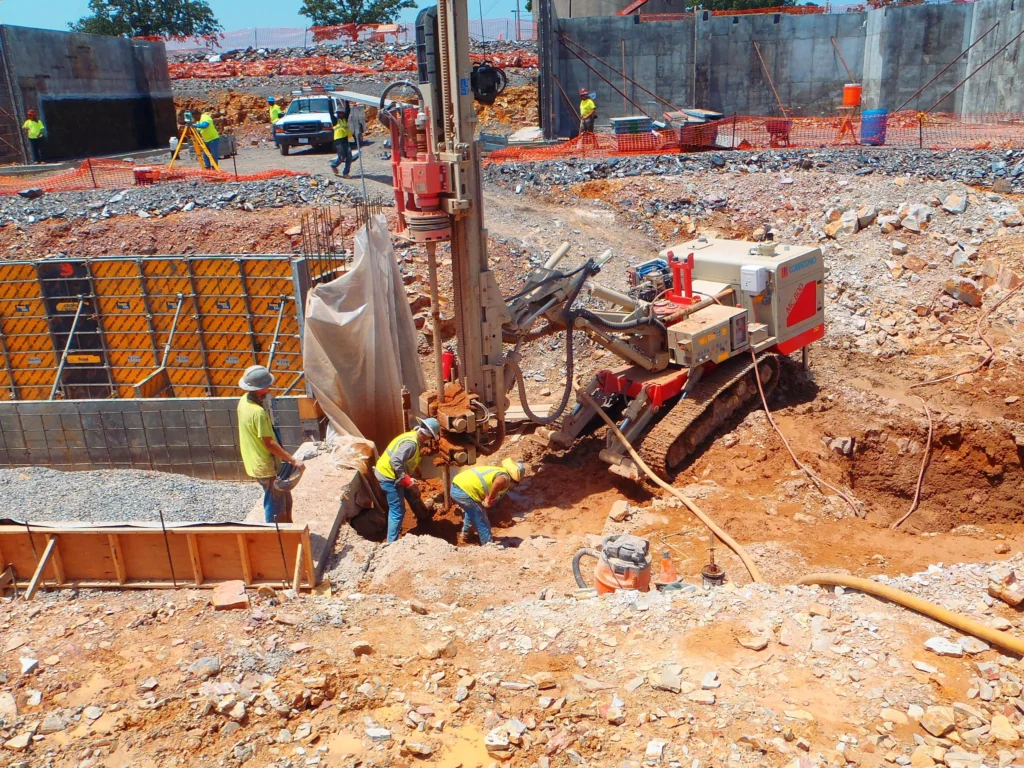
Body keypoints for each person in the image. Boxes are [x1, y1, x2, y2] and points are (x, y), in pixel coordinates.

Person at [237, 365, 304, 524]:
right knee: (274, 503)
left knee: (284, 498)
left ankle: (288, 530)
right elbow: (269, 443)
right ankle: (276, 536)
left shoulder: (243, 402)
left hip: (255, 462)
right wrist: (293, 460)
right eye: (267, 386)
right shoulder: (257, 412)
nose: (269, 388)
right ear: (261, 387)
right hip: (266, 465)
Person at [374, 417, 441, 543]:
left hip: (395, 473)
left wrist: (412, 477)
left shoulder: (412, 436)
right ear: (428, 436)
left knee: (413, 493)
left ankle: (423, 517)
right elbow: (395, 460)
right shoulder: (411, 444)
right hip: (388, 476)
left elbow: (407, 460)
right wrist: (406, 480)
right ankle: (391, 543)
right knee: (397, 509)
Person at [451, 459, 526, 546]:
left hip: (457, 486)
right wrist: (490, 499)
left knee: (473, 512)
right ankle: (488, 545)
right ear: (515, 479)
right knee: (481, 518)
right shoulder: (505, 477)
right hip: (464, 491)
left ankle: (466, 535)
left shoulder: (499, 471)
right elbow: (498, 482)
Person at [330, 101, 353, 178]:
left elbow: (348, 110)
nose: (341, 114)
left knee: (349, 156)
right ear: (337, 113)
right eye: (339, 113)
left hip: (345, 140)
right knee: (342, 156)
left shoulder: (344, 119)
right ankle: (333, 165)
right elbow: (330, 112)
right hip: (338, 141)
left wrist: (347, 101)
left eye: (342, 113)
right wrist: (329, 101)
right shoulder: (335, 120)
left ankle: (345, 173)